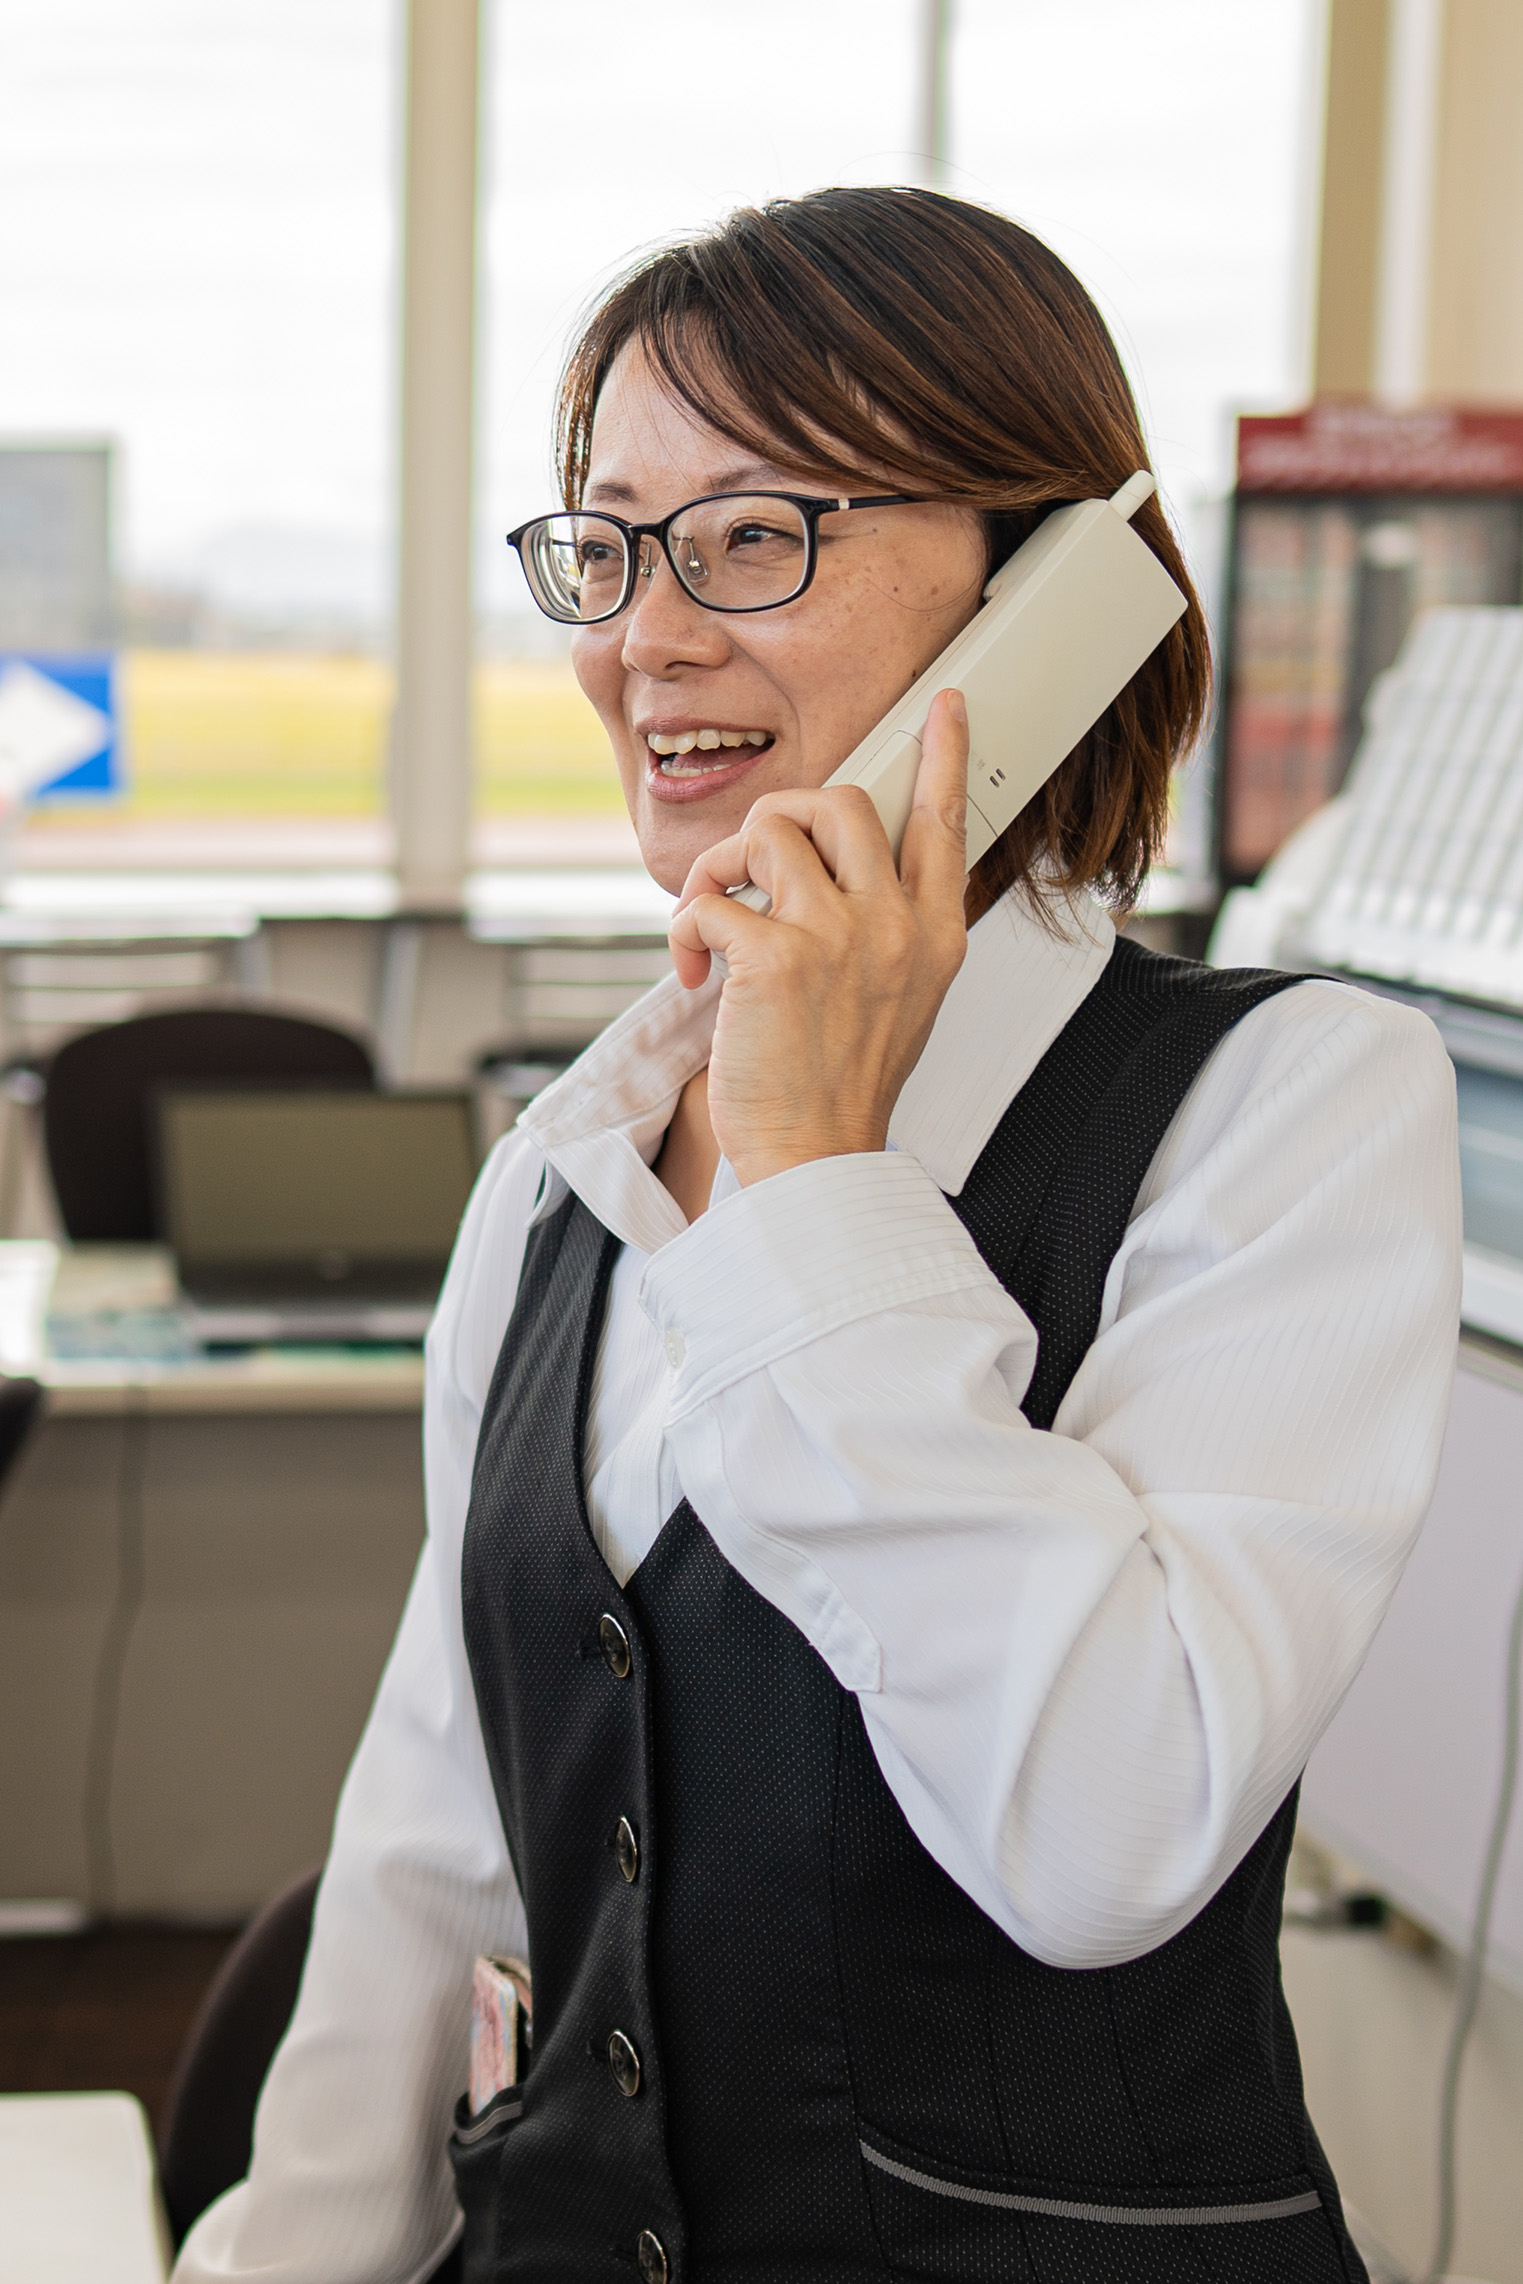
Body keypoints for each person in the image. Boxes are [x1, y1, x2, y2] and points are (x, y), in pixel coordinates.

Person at [174, 188, 1460, 2284]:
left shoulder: (1288, 1106)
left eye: (759, 532)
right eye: (606, 543)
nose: (642, 638)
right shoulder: (564, 1159)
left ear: (1052, 588)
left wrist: (810, 1166)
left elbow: (1104, 1829)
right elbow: (433, 1852)